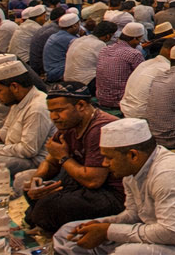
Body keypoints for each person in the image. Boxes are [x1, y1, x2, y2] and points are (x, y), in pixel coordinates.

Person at [52, 118, 175, 255]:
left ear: (132, 155)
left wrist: (108, 231)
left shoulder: (168, 174)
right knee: (67, 233)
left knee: (126, 253)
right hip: (159, 237)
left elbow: (171, 233)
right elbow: (134, 214)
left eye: (109, 157)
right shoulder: (131, 171)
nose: (105, 163)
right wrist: (102, 225)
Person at [23, 83, 125, 233]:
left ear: (81, 105)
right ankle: (43, 217)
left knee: (49, 207)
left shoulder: (100, 129)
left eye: (59, 111)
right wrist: (37, 179)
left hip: (111, 194)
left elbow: (94, 181)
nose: (54, 117)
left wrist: (64, 158)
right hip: (83, 183)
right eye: (51, 111)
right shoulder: (68, 124)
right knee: (32, 189)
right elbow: (51, 161)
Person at [119, 36, 175, 120]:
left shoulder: (145, 64)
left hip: (125, 110)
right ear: (170, 52)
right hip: (141, 115)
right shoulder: (166, 69)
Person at [95, 23, 147, 110]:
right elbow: (142, 78)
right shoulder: (134, 54)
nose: (139, 43)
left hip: (101, 98)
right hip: (120, 101)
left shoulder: (105, 49)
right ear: (134, 39)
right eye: (139, 40)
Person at [66, 21, 117, 87]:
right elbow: (107, 67)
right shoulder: (100, 44)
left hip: (67, 79)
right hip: (84, 83)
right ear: (107, 36)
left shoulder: (79, 39)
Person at [44, 13, 83, 82]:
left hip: (52, 71)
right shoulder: (69, 39)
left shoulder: (57, 35)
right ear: (74, 26)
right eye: (78, 25)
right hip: (57, 73)